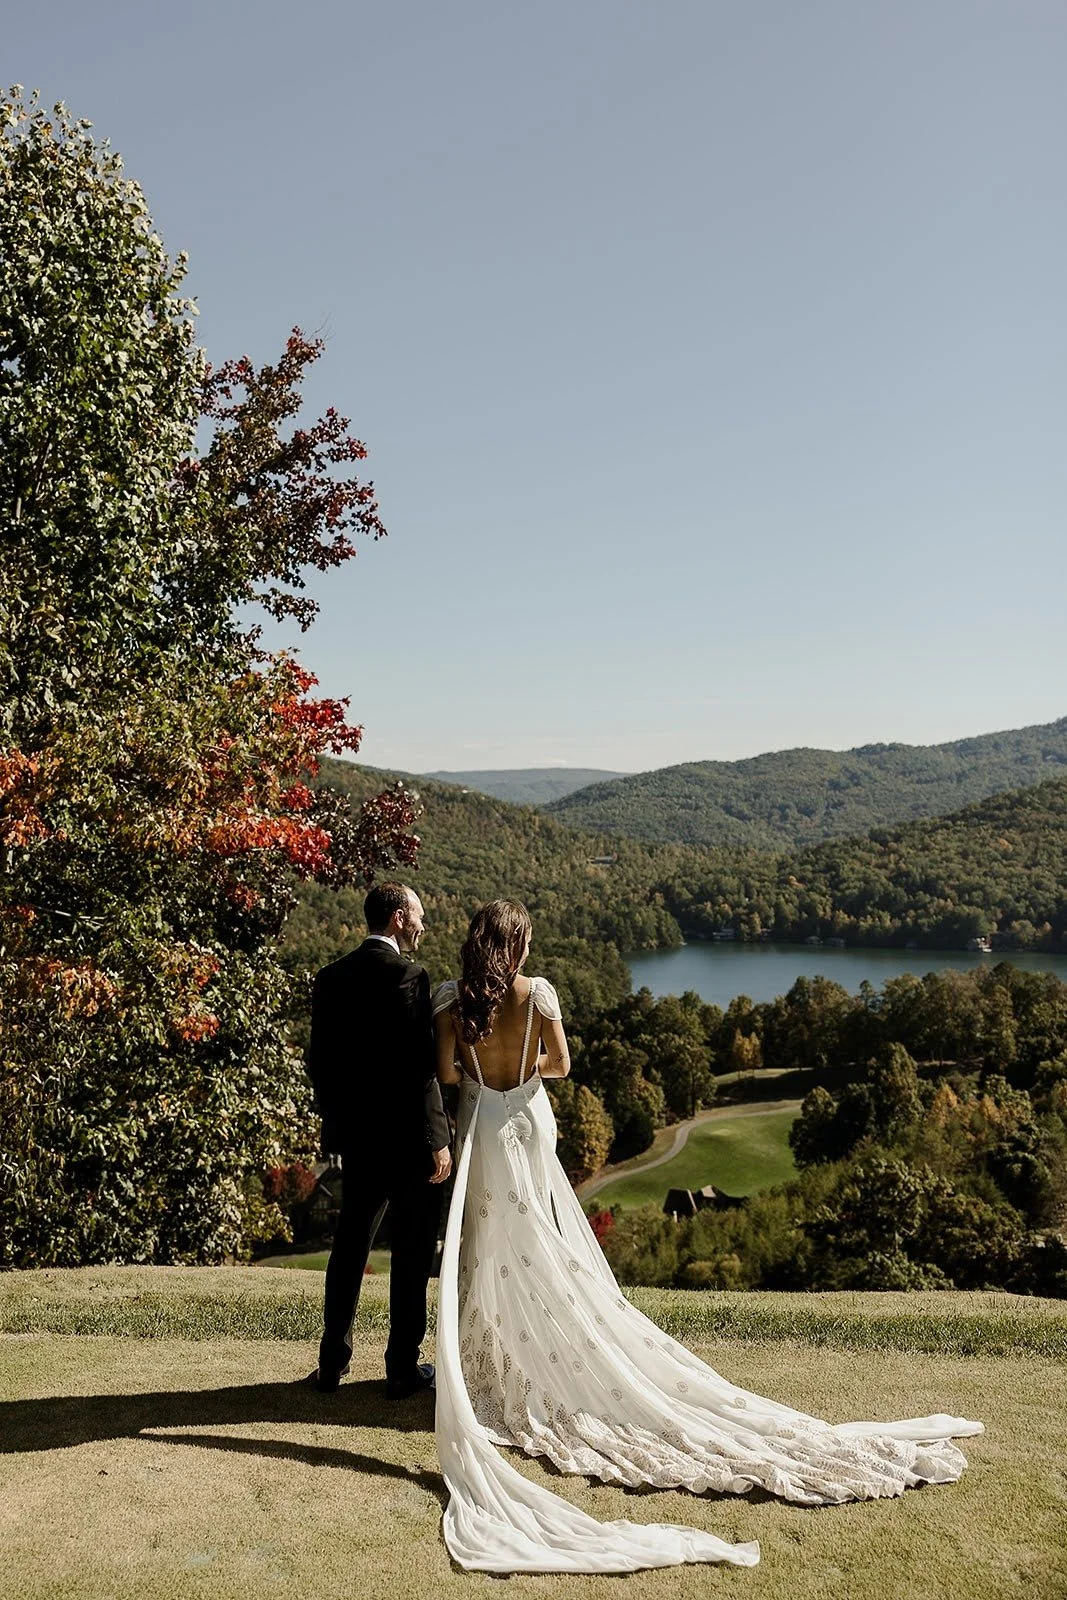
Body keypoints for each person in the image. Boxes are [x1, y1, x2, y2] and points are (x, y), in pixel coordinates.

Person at [430, 899, 982, 1574]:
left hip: (483, 1125)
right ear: (517, 946)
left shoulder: (450, 1002)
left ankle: (496, 1364)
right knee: (542, 1244)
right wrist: (523, 1078)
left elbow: (450, 1076)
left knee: (491, 1250)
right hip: (528, 1121)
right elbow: (562, 1066)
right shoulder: (536, 994)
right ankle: (530, 1360)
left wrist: (488, 1080)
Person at [307, 882, 451, 1397]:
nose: (422, 925)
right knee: (411, 1254)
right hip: (410, 1144)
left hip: (360, 1143)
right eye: (418, 915)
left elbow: (319, 1066)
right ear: (396, 917)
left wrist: (339, 1129)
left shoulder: (330, 978)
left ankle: (331, 1365)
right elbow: (422, 1070)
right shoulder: (411, 976)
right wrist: (437, 1138)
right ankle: (400, 1371)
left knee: (349, 1249)